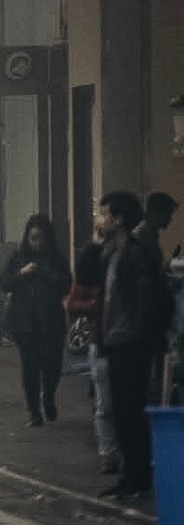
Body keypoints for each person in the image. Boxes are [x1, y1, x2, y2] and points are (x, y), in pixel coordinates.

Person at [98, 191, 171, 499]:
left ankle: (138, 477)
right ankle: (130, 475)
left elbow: (145, 301)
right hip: (116, 342)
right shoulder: (113, 251)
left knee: (132, 412)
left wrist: (134, 336)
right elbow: (87, 272)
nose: (98, 219)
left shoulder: (136, 253)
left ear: (119, 219)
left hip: (129, 345)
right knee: (119, 412)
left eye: (104, 214)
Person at [1, 214, 68, 427]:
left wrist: (47, 273)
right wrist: (23, 273)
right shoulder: (19, 257)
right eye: (33, 238)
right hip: (25, 323)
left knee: (52, 366)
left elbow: (65, 285)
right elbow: (5, 283)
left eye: (40, 238)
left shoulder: (57, 259)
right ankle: (33, 411)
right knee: (30, 368)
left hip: (51, 322)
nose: (36, 243)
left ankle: (48, 396)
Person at [70, 212, 120, 476]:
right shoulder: (92, 264)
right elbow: (72, 302)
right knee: (106, 404)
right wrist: (96, 306)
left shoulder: (126, 261)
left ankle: (122, 454)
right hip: (100, 341)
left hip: (123, 343)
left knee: (122, 402)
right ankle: (108, 454)